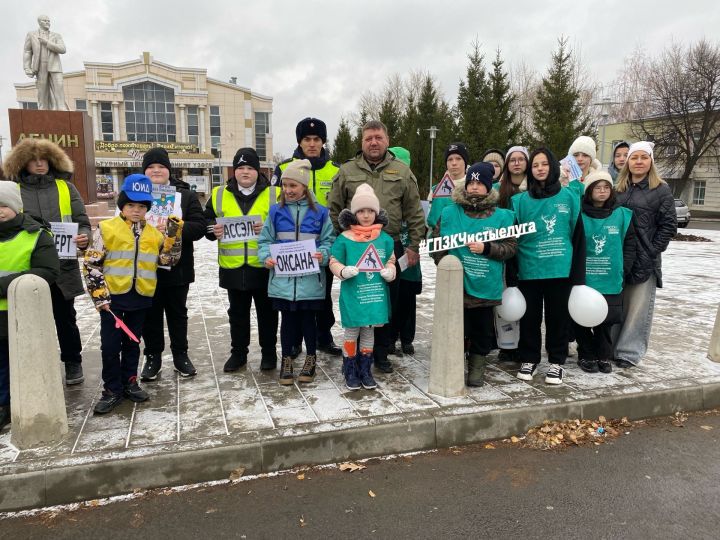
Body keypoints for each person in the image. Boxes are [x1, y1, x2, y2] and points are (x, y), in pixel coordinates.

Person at [328, 120, 426, 373]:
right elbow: (334, 209)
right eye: (368, 138)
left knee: (385, 302)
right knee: (359, 298)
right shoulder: (347, 171)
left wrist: (413, 246)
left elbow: (415, 213)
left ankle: (381, 352)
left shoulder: (402, 172)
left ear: (387, 140)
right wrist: (344, 240)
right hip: (354, 247)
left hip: (387, 246)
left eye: (378, 138)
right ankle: (358, 353)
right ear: (362, 142)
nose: (373, 142)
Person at [83, 175, 182, 414]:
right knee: (109, 346)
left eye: (141, 206)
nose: (136, 210)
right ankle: (111, 389)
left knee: (133, 344)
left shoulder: (155, 234)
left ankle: (129, 381)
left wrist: (173, 235)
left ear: (147, 208)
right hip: (113, 300)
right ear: (122, 206)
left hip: (141, 298)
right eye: (130, 206)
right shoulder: (106, 229)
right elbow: (91, 264)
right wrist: (100, 297)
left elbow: (168, 261)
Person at [3, 137, 91, 386]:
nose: (40, 164)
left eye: (44, 159)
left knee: (66, 318)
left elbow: (81, 219)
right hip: (25, 266)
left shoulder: (65, 188)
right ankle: (32, 364)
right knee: (28, 319)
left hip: (62, 266)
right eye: (33, 160)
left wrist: (85, 236)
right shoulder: (14, 190)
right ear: (23, 163)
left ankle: (73, 361)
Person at [432, 163, 517, 387]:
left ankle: (477, 366)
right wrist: (446, 265)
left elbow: (510, 247)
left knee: (481, 329)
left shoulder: (503, 217)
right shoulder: (450, 213)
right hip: (456, 285)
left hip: (485, 285)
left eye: (480, 183)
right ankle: (455, 365)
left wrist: (488, 248)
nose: (475, 187)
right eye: (471, 182)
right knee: (458, 328)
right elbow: (436, 244)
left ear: (489, 187)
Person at [511, 148, 585, 385]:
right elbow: (512, 239)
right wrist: (513, 273)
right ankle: (529, 358)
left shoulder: (569, 198)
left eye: (544, 164)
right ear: (530, 170)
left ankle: (556, 361)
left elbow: (578, 236)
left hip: (560, 269)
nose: (540, 168)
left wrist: (577, 275)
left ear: (553, 167)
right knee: (529, 317)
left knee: (557, 318)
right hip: (529, 268)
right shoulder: (519, 201)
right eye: (535, 165)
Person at [258, 160, 334, 386]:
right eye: (285, 186)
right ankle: (287, 360)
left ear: (304, 187)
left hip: (310, 281)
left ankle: (311, 358)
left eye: (293, 185)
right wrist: (266, 257)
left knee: (308, 321)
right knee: (287, 322)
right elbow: (265, 240)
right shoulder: (276, 212)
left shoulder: (320, 213)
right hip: (283, 281)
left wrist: (323, 254)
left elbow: (329, 241)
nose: (288, 190)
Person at [204, 148, 279, 372]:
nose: (245, 172)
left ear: (258, 171)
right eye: (240, 168)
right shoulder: (218, 193)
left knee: (268, 313)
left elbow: (286, 223)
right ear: (234, 171)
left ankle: (269, 353)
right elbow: (206, 221)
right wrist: (212, 230)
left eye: (250, 168)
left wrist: (268, 228)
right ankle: (238, 354)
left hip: (264, 266)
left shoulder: (274, 193)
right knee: (237, 314)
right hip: (233, 268)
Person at [273, 118, 341, 357]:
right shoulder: (283, 168)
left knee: (321, 297)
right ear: (299, 142)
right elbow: (275, 205)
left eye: (317, 139)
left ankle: (323, 337)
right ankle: (294, 343)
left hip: (321, 246)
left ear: (323, 141)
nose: (312, 144)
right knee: (292, 302)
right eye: (306, 140)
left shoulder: (335, 170)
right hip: (289, 249)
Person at [140, 147, 206, 380]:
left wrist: (174, 228)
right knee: (150, 314)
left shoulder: (185, 196)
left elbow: (199, 227)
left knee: (178, 314)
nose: (156, 171)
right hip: (145, 268)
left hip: (177, 267)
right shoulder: (137, 196)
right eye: (151, 167)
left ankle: (181, 355)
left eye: (161, 167)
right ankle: (152, 357)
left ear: (169, 170)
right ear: (144, 171)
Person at [0, 181, 60, 431]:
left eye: (3, 205)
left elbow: (47, 271)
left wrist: (3, 285)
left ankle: (6, 406)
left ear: (15, 206)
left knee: (8, 362)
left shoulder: (35, 235)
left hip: (18, 314)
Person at [613, 142, 676, 368]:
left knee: (637, 309)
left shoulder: (661, 189)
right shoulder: (618, 189)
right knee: (616, 305)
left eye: (643, 157)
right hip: (618, 257)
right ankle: (611, 348)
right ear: (627, 162)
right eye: (634, 158)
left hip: (645, 259)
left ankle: (628, 353)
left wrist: (652, 250)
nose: (639, 162)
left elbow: (669, 225)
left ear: (651, 161)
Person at [330, 184, 396, 390]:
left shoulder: (384, 239)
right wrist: (342, 271)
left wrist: (390, 271)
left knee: (369, 334)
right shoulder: (344, 238)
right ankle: (350, 369)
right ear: (354, 213)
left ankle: (365, 370)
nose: (366, 215)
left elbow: (390, 260)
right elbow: (333, 260)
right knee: (351, 333)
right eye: (361, 211)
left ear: (376, 213)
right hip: (354, 296)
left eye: (370, 211)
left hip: (374, 296)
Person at [575, 171, 636, 373]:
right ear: (589, 191)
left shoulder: (622, 215)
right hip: (585, 278)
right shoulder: (578, 215)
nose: (602, 192)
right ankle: (586, 354)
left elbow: (630, 245)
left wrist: (624, 267)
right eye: (597, 188)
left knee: (606, 321)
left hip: (610, 277)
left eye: (606, 187)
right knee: (582, 318)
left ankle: (603, 355)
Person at [495, 145, 529, 363]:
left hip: (529, 250)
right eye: (512, 160)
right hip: (506, 250)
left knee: (527, 298)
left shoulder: (534, 188)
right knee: (505, 296)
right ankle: (507, 345)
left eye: (521, 159)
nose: (516, 163)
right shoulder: (499, 190)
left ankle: (526, 343)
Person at [387, 147, 422, 357]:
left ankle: (407, 338)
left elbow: (419, 220)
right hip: (393, 253)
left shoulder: (411, 186)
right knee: (393, 299)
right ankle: (390, 338)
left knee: (408, 299)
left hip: (410, 256)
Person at [23, 14, 67, 110]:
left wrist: (47, 43)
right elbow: (27, 51)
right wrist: (27, 67)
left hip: (55, 66)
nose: (47, 23)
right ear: (39, 22)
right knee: (42, 91)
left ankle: (62, 108)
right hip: (40, 66)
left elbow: (63, 49)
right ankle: (43, 110)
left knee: (59, 87)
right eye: (45, 21)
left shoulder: (56, 36)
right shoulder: (31, 34)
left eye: (48, 21)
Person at [426, 142, 469, 230]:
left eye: (458, 158)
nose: (454, 163)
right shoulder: (435, 189)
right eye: (450, 159)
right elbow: (428, 221)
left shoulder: (474, 187)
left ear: (465, 161)